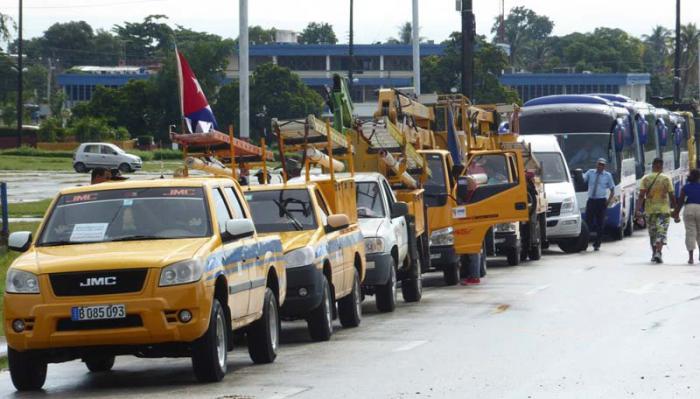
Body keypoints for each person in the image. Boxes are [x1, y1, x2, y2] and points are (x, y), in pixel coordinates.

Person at [635, 158, 677, 263]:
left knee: (653, 233)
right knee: (661, 232)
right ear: (662, 167)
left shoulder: (646, 179)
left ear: (653, 166)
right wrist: (675, 210)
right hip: (664, 210)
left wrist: (637, 210)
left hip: (650, 210)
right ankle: (658, 252)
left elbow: (641, 196)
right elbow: (672, 196)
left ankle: (654, 253)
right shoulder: (666, 179)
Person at [582, 158, 615, 250]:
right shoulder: (590, 172)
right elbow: (583, 179)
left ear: (604, 166)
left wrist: (608, 202)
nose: (601, 166)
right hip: (591, 200)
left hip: (601, 201)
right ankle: (584, 243)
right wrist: (578, 174)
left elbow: (612, 190)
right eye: (599, 164)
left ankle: (597, 244)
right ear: (596, 165)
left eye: (603, 165)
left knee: (600, 224)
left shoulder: (607, 175)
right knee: (588, 223)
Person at [673, 168, 700, 264]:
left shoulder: (685, 187)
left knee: (690, 232)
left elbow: (680, 202)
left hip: (689, 209)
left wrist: (676, 213)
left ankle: (691, 258)